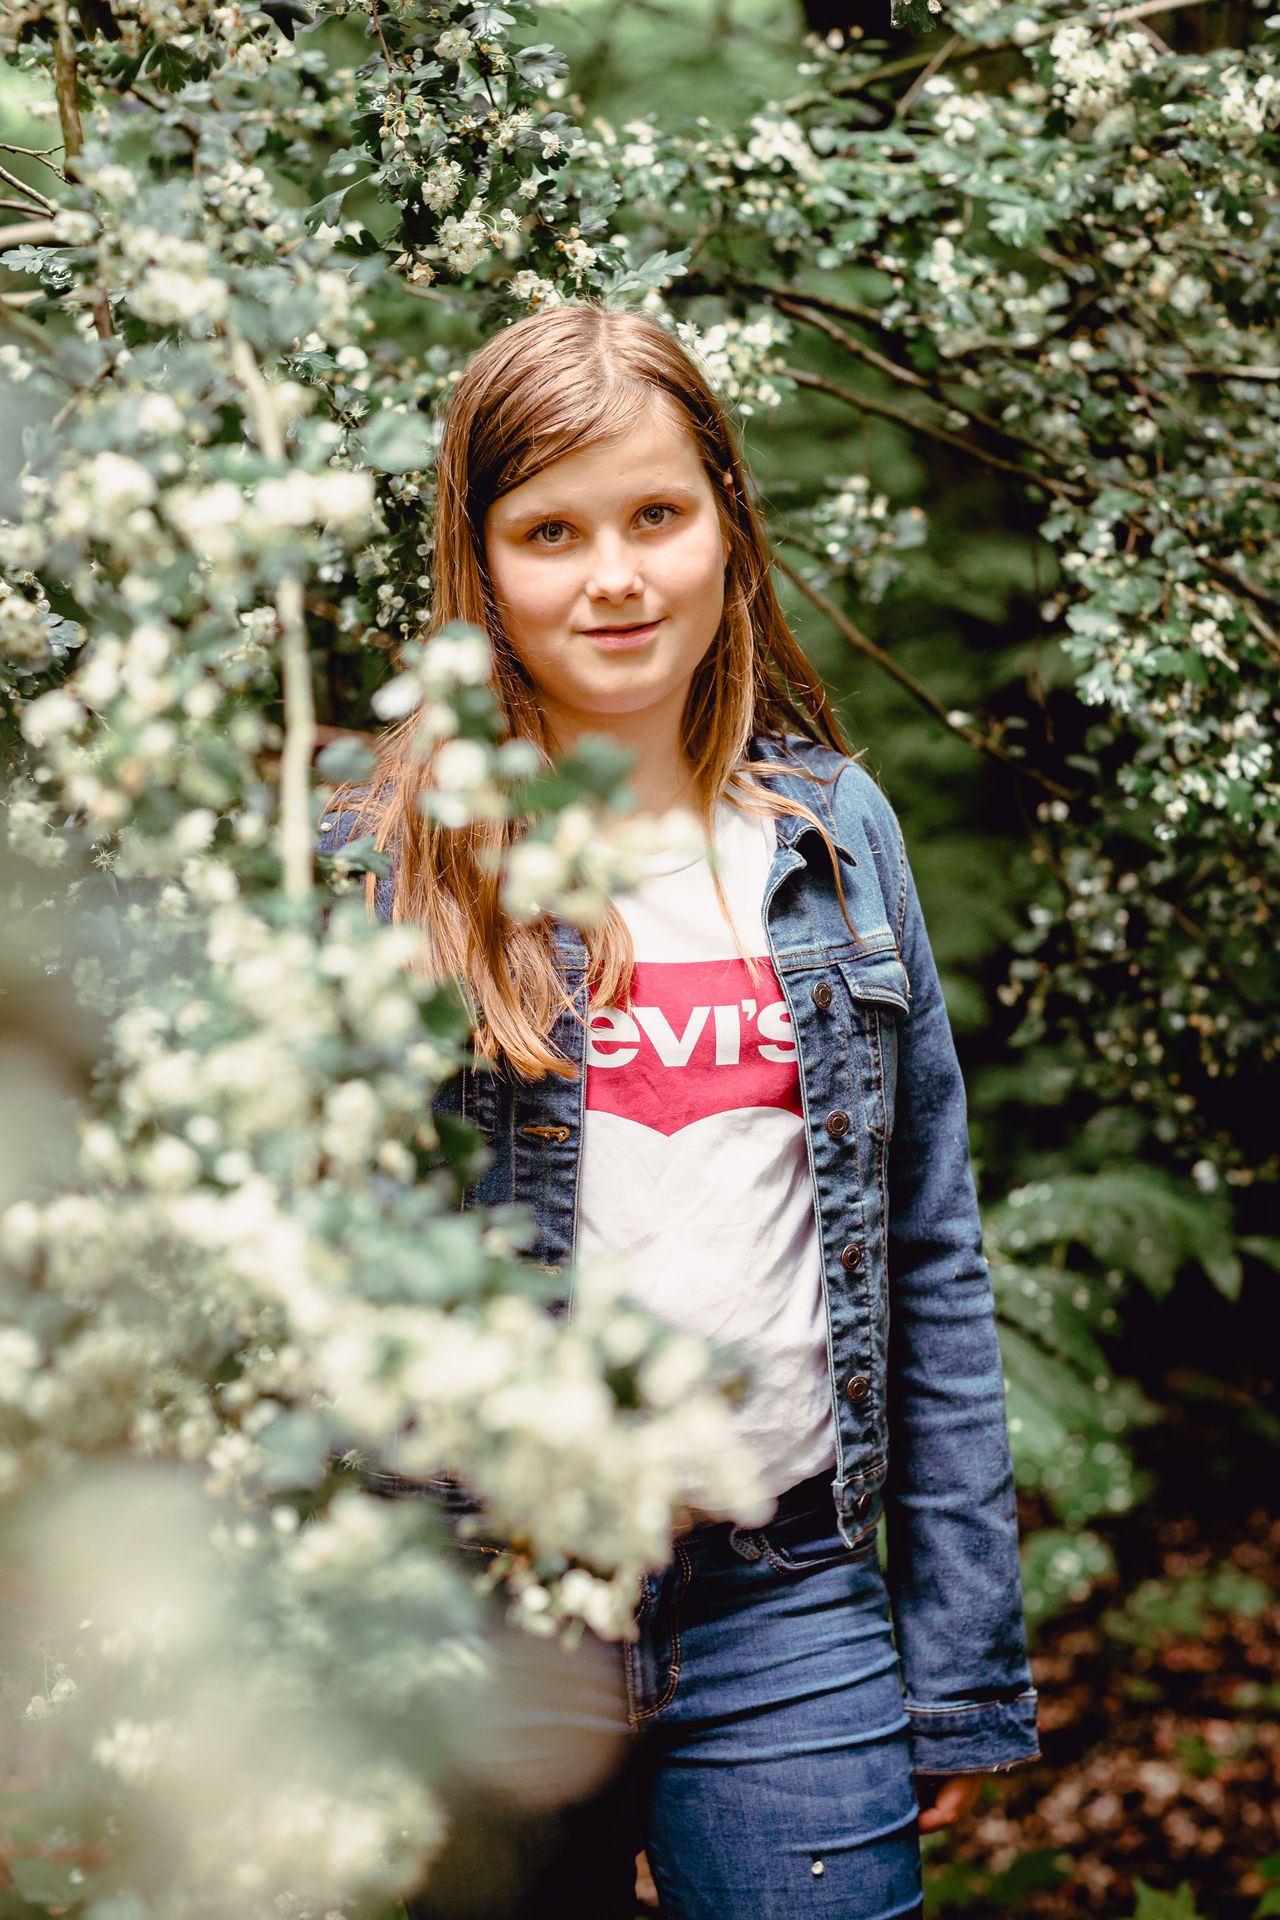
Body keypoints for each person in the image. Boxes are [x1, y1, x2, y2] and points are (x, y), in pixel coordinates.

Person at [319, 301, 1039, 1920]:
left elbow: (929, 1257)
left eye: (657, 514)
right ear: (481, 564)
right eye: (551, 533)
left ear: (727, 518)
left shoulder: (834, 836)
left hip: (783, 1598)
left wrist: (956, 1657)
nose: (617, 576)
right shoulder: (401, 864)